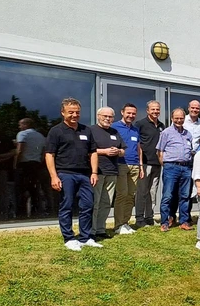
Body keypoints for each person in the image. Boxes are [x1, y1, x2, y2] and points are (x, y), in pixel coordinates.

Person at [44, 97, 101, 251]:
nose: (75, 115)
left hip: (85, 175)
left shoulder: (86, 130)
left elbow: (93, 152)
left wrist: (94, 172)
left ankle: (85, 237)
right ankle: (68, 238)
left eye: (77, 112)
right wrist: (53, 176)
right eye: (71, 112)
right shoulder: (56, 131)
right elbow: (49, 154)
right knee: (67, 205)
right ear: (63, 113)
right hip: (65, 173)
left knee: (88, 205)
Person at [90, 106, 127, 240]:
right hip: (97, 171)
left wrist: (118, 152)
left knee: (106, 202)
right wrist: (104, 151)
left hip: (112, 171)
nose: (107, 118)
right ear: (98, 116)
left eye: (110, 116)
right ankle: (91, 230)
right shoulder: (91, 130)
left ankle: (101, 229)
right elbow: (87, 150)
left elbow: (123, 150)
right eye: (105, 116)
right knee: (95, 202)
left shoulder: (115, 131)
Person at [157, 108, 194, 232]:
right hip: (171, 167)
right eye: (176, 118)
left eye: (181, 118)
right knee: (168, 195)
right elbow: (160, 151)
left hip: (186, 167)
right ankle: (165, 222)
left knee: (185, 196)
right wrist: (166, 165)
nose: (179, 120)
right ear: (172, 118)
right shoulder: (166, 132)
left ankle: (184, 221)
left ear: (184, 118)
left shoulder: (188, 134)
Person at [113, 104, 144, 236]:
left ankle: (125, 222)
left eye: (133, 114)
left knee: (131, 196)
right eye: (128, 113)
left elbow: (138, 148)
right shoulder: (114, 127)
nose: (131, 116)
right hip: (120, 164)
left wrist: (141, 166)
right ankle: (118, 225)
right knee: (122, 194)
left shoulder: (135, 130)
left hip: (135, 165)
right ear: (122, 112)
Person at [134, 100, 164, 228]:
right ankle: (139, 218)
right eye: (153, 109)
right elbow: (137, 144)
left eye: (157, 109)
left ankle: (149, 217)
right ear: (147, 110)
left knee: (153, 191)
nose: (155, 112)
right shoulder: (140, 124)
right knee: (142, 191)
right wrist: (140, 164)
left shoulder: (162, 125)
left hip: (157, 163)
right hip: (145, 163)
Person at [13, 117, 46, 218]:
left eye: (21, 124)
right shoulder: (40, 136)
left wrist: (15, 163)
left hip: (24, 164)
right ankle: (35, 211)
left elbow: (19, 150)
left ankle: (21, 213)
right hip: (35, 164)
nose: (19, 127)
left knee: (20, 189)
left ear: (26, 124)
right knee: (34, 189)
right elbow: (44, 152)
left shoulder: (23, 134)